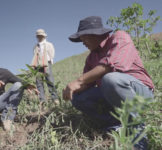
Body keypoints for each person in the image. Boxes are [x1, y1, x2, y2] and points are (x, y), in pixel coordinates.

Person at [63, 16, 154, 150]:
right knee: (77, 98)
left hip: (139, 93)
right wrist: (71, 88)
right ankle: (116, 122)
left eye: (83, 38)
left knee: (110, 79)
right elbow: (88, 83)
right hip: (112, 95)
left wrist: (79, 81)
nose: (82, 43)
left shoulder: (119, 37)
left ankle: (137, 133)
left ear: (94, 34)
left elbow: (112, 64)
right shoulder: (91, 58)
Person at [31, 29, 59, 105]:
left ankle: (55, 99)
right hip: (37, 65)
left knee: (49, 81)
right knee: (39, 83)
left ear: (43, 36)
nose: (39, 37)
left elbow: (52, 54)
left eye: (41, 35)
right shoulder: (35, 46)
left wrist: (49, 61)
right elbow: (34, 56)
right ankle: (42, 100)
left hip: (47, 64)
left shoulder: (49, 44)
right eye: (38, 36)